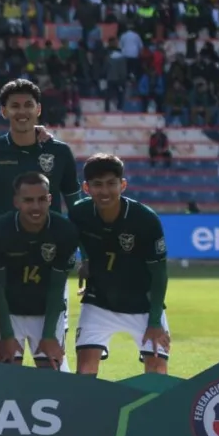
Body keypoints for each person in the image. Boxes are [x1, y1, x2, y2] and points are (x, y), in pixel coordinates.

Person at [0, 78, 81, 368]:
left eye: (28, 105)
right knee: (5, 359)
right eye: (15, 106)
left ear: (38, 109)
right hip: (2, 262)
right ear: (4, 111)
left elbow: (77, 209)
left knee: (49, 359)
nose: (22, 111)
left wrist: (86, 255)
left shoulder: (58, 152)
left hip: (50, 261)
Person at [68, 154, 171, 376]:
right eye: (97, 185)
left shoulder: (145, 220)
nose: (104, 191)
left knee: (157, 370)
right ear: (86, 188)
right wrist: (85, 259)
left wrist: (155, 321)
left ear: (122, 185)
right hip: (99, 302)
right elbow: (76, 238)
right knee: (85, 368)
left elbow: (160, 273)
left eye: (111, 184)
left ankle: (156, 411)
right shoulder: (79, 213)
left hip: (143, 304)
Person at [0, 172, 79, 370]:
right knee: (6, 376)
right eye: (28, 200)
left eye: (42, 199)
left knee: (52, 377)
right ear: (16, 201)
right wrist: (7, 335)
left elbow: (56, 288)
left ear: (50, 199)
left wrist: (49, 335)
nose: (35, 207)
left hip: (46, 312)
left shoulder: (64, 231)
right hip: (8, 312)